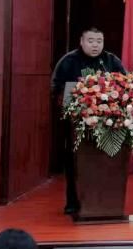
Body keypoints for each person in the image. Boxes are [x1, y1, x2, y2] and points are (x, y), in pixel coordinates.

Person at [50, 27, 125, 215]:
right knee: (75, 163)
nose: (95, 45)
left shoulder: (111, 61)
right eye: (91, 41)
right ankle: (73, 202)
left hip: (109, 124)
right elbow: (57, 89)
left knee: (106, 162)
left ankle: (106, 201)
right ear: (81, 42)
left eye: (99, 41)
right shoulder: (68, 61)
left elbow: (126, 84)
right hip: (76, 124)